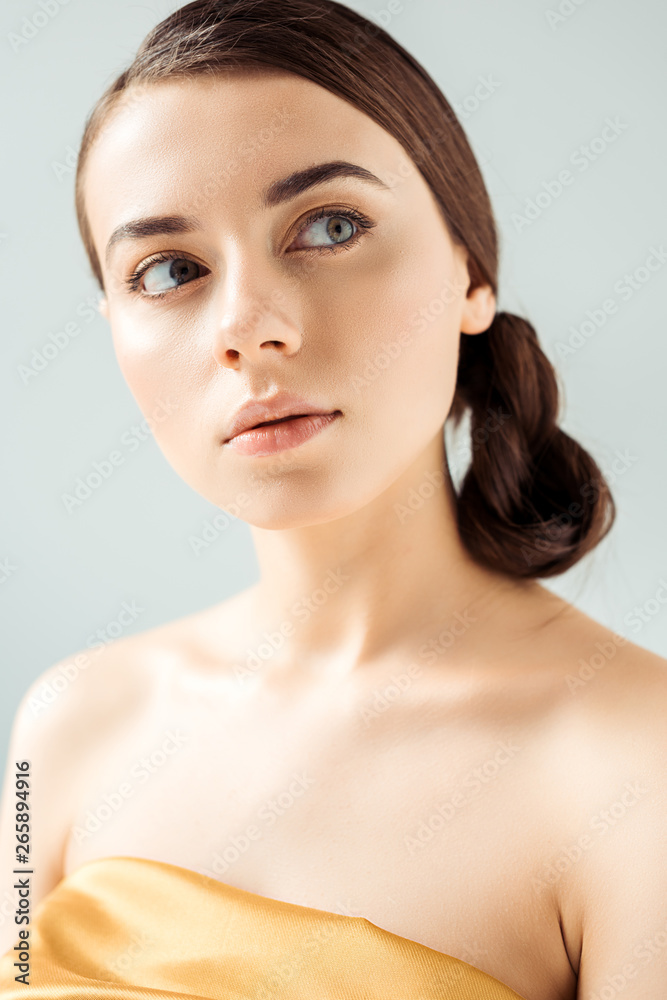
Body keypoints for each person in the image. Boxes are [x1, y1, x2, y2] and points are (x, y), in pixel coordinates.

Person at [1, 1, 666, 997]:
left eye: (328, 226)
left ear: (468, 269)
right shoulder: (63, 726)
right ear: (111, 324)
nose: (247, 326)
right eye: (170, 270)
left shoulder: (636, 763)